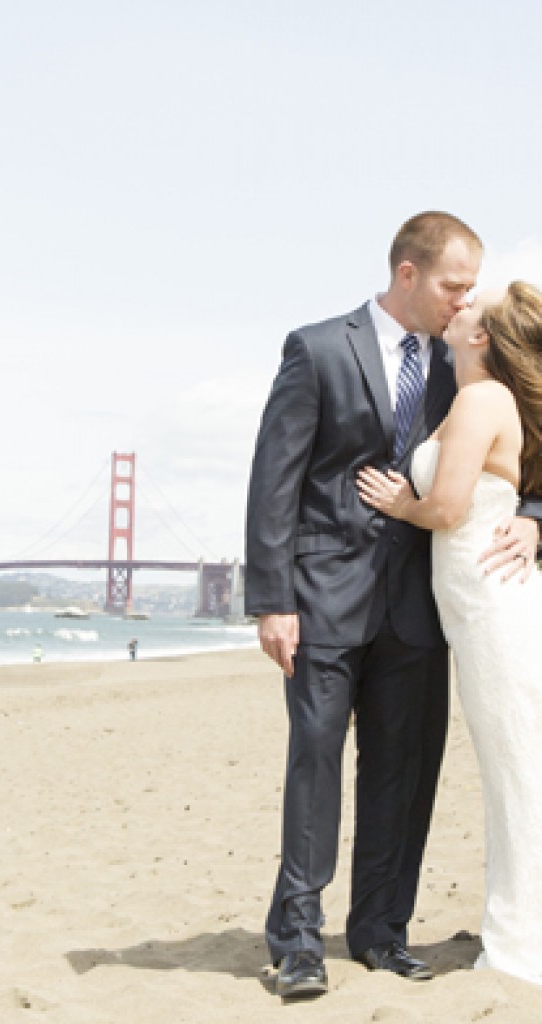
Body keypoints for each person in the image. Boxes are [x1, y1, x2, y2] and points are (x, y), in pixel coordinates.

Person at [244, 212, 541, 1000]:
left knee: (400, 777)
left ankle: (380, 933)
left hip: (423, 612)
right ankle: (299, 941)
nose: (462, 300)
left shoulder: (466, 366)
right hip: (321, 601)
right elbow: (275, 480)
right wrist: (272, 600)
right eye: (452, 284)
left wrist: (532, 516)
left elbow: (525, 447)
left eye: (470, 288)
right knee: (314, 764)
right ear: (407, 273)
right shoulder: (315, 349)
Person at [356, 281, 542, 985]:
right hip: (477, 608)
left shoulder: (480, 399)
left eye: (469, 309)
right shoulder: (476, 395)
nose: (456, 308)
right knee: (515, 770)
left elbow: (449, 508)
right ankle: (518, 924)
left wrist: (404, 503)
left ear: (481, 338)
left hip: (494, 606)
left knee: (519, 773)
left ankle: (524, 942)